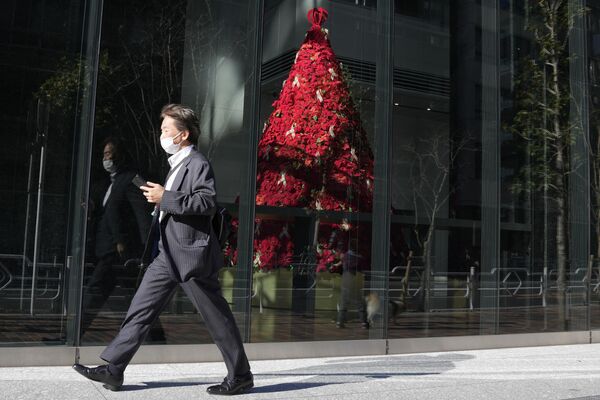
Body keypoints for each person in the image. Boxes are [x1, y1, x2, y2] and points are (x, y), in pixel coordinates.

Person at [73, 104, 253, 395]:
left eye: (165, 129)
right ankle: (114, 368)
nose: (161, 134)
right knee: (140, 309)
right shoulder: (177, 164)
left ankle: (241, 375)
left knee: (216, 317)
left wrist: (165, 197)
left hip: (190, 255)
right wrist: (160, 197)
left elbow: (206, 203)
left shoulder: (197, 163)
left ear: (182, 135)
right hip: (166, 254)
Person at [81, 137, 165, 341]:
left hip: (119, 249)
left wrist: (147, 245)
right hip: (109, 247)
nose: (106, 158)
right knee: (136, 296)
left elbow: (141, 213)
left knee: (96, 290)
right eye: (104, 155)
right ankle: (156, 335)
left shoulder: (131, 179)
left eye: (110, 154)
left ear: (121, 155)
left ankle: (72, 334)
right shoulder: (111, 182)